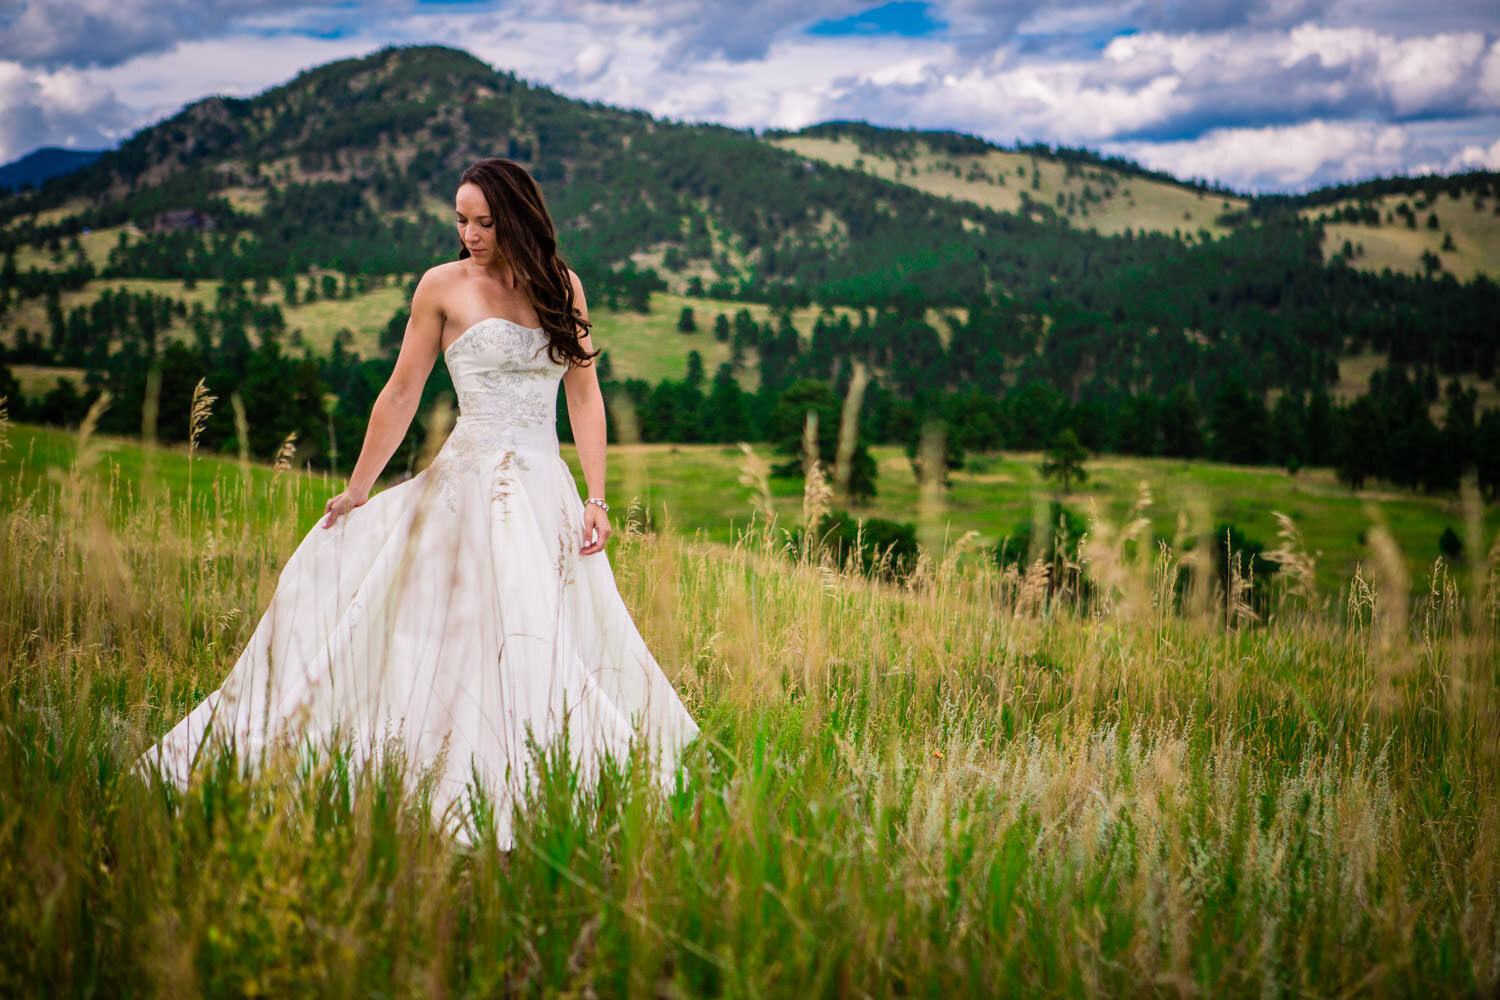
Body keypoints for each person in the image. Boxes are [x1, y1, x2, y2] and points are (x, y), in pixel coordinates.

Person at [135, 158, 701, 849]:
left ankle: (547, 774)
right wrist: (359, 486)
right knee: (451, 631)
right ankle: (447, 770)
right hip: (467, 484)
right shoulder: (440, 286)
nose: (470, 234)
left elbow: (583, 394)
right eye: (461, 219)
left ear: (518, 217)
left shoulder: (563, 285)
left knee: (545, 630)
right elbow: (402, 391)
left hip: (543, 488)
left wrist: (597, 496)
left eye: (484, 221)